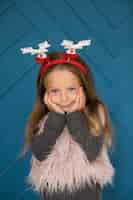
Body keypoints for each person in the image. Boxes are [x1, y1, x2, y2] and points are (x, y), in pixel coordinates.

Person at [20, 40, 115, 200]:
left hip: (86, 187)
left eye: (71, 89)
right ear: (45, 94)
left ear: (83, 88)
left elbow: (92, 152)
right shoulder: (43, 117)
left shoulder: (94, 111)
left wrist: (74, 115)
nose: (64, 98)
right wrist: (56, 118)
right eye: (55, 91)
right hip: (52, 189)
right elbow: (40, 153)